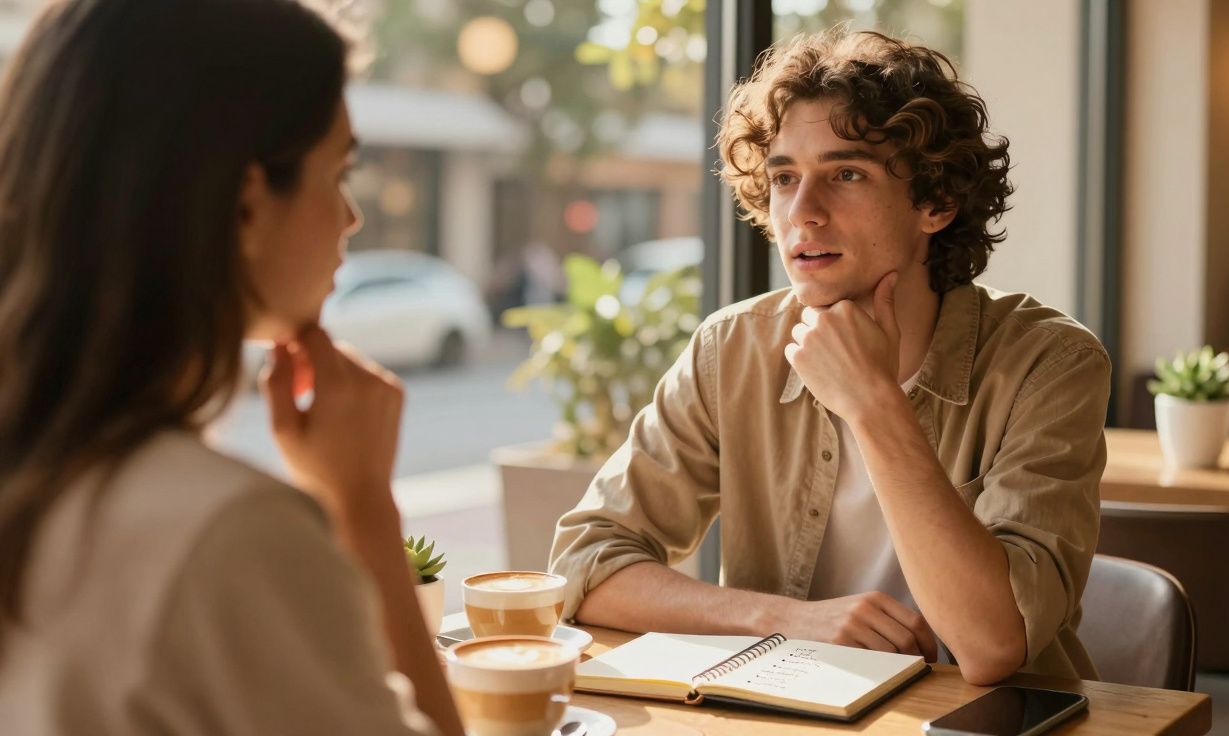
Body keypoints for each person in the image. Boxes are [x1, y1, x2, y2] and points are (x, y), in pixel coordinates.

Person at [550, 29, 1111, 686]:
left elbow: (993, 645)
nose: (802, 213)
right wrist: (783, 618)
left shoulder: (1050, 363)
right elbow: (582, 567)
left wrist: (874, 403)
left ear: (936, 202)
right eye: (785, 177)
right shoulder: (731, 349)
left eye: (846, 175)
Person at [0, 1, 463, 733]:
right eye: (338, 172)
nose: (352, 219)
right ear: (247, 203)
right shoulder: (228, 534)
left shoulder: (42, 468)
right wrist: (364, 509)